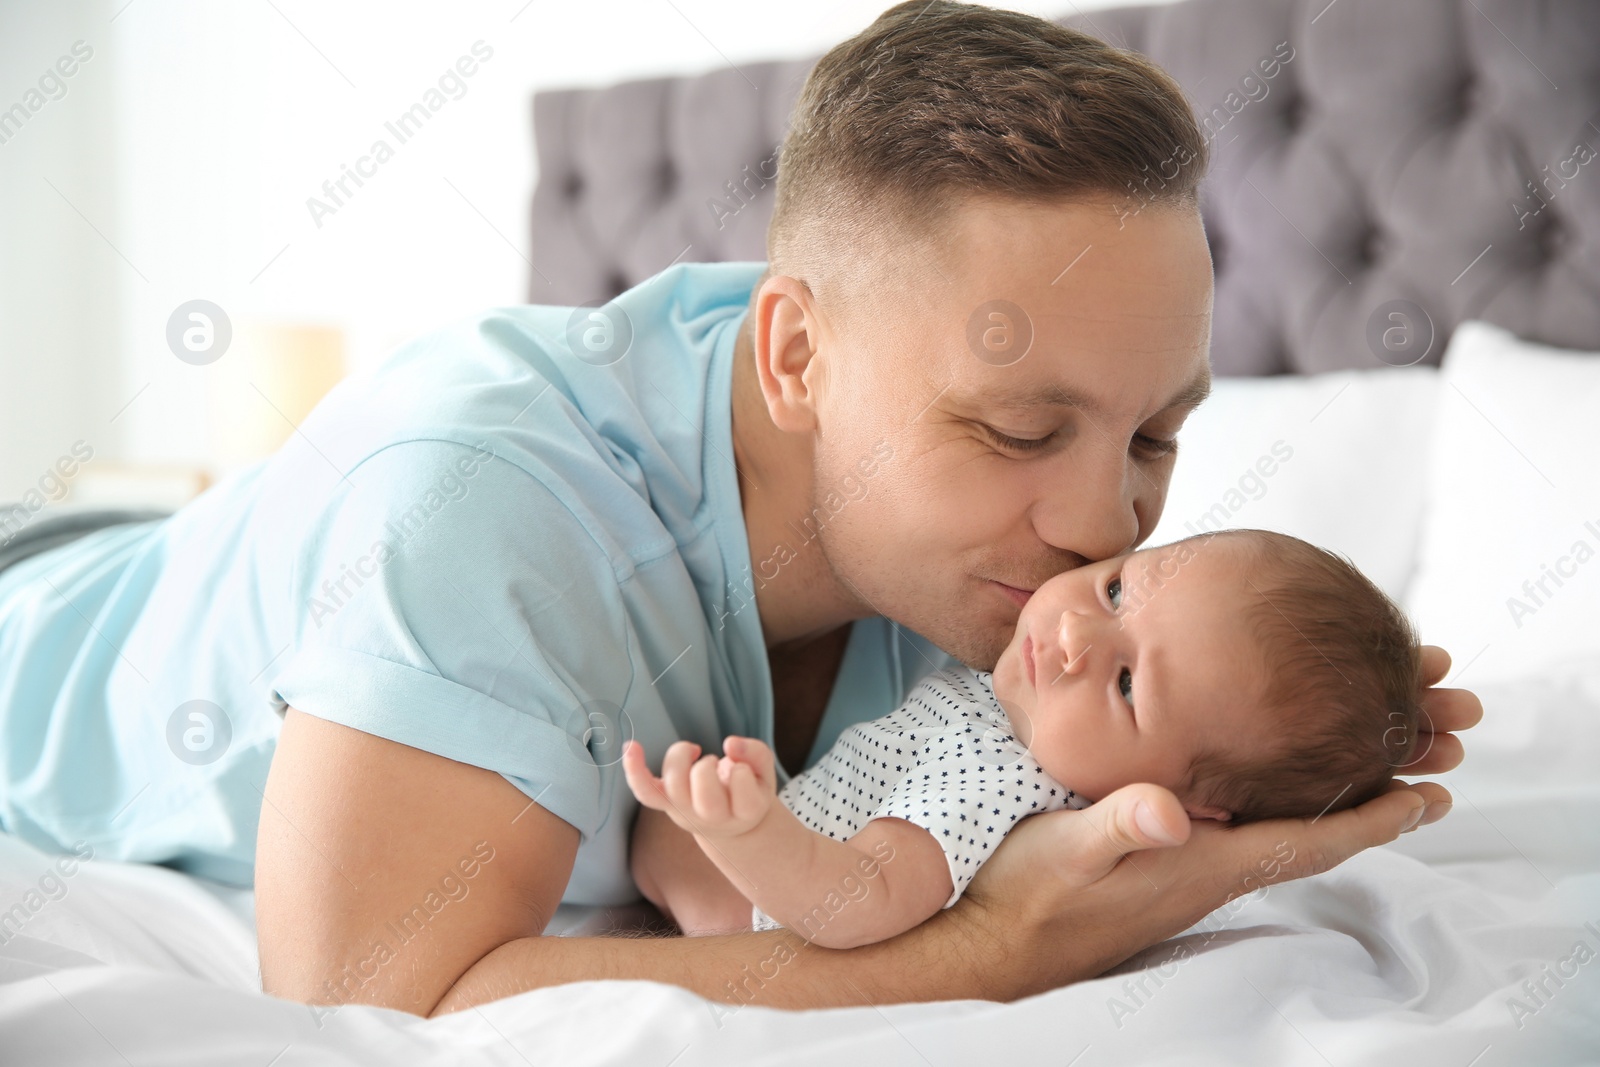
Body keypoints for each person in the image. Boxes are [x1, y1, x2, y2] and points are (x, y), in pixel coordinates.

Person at [0, 1, 1475, 1016]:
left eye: (1157, 432)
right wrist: (991, 950)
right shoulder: (480, 504)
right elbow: (367, 998)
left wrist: (1303, 713)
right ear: (795, 357)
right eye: (1023, 428)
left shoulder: (1041, 594)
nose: (1107, 526)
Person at [623, 529, 1425, 949]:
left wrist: (747, 832)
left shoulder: (1004, 783)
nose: (1074, 629)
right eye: (1116, 589)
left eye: (1124, 684)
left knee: (655, 834)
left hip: (762, 913)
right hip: (793, 837)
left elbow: (859, 898)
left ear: (1191, 805)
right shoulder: (1018, 702)